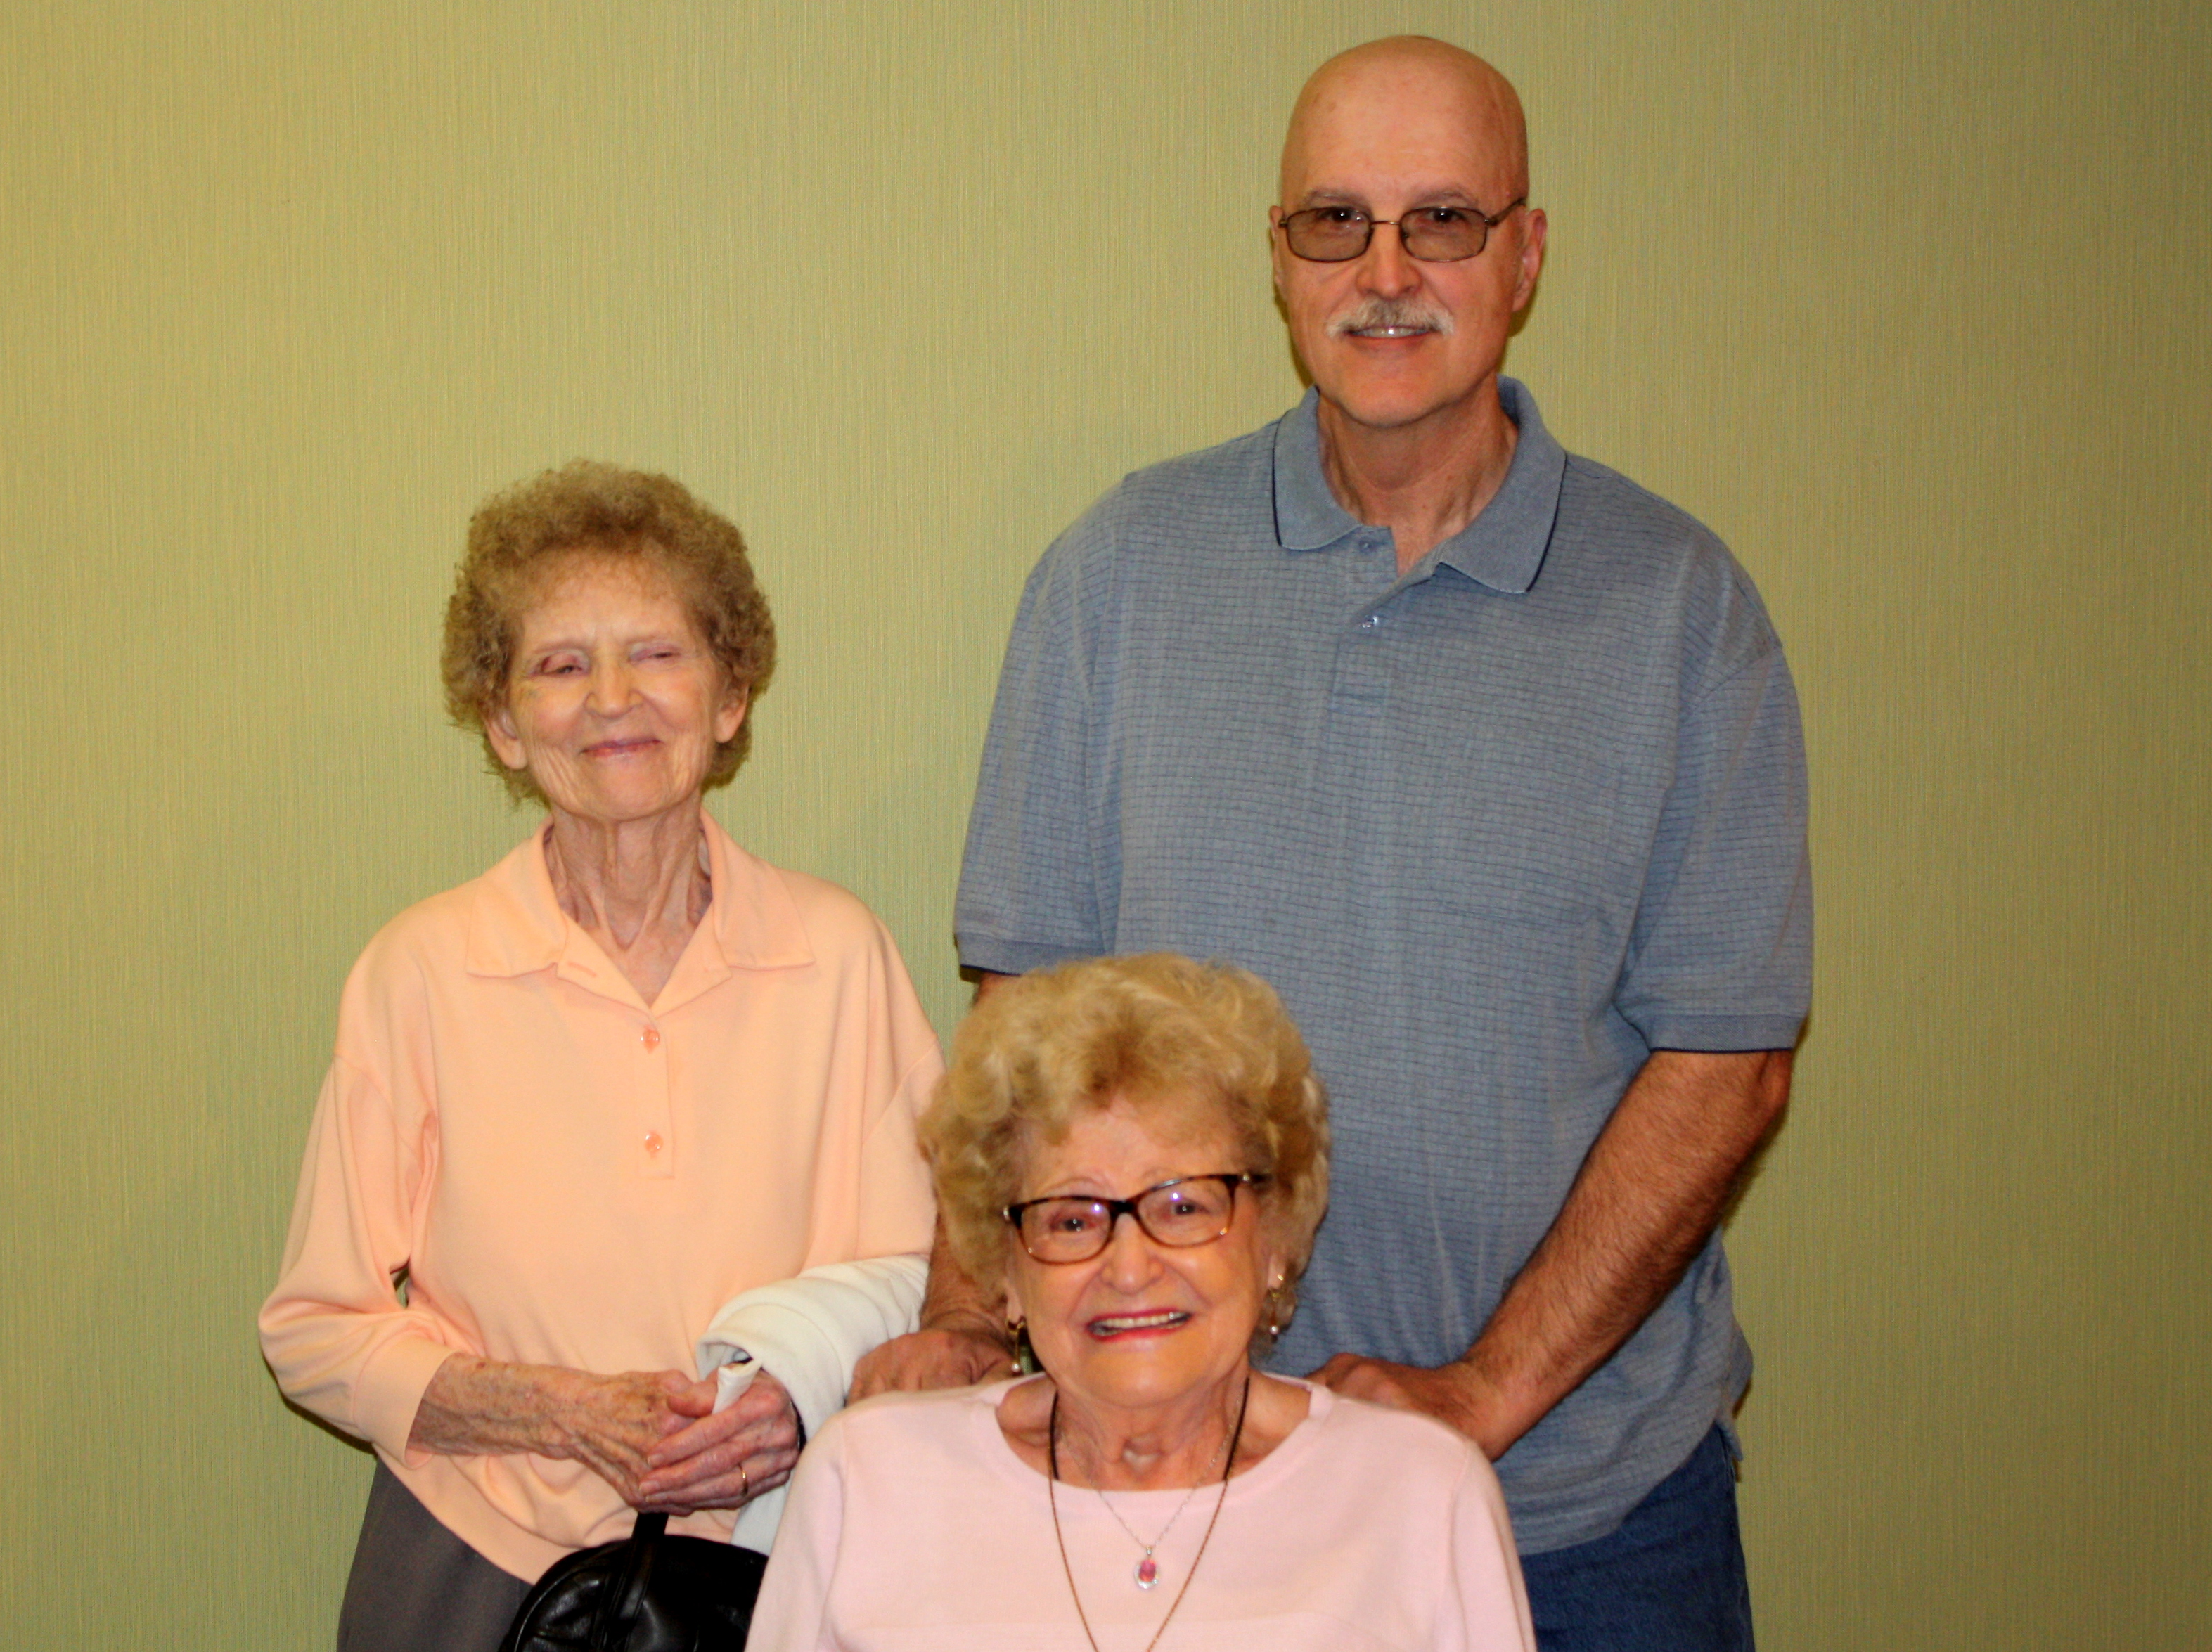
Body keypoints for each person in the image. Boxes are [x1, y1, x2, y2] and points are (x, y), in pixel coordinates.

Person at [856, 36, 1809, 1651]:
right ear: (1279, 257)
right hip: (1179, 1504)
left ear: (1524, 254)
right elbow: (1023, 1024)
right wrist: (966, 1321)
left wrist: (1480, 1394)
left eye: (1441, 220)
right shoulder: (1116, 577)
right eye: (1333, 222)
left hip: (1584, 1523)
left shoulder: (1679, 611)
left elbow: (1728, 1061)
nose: (1384, 272)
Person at [259, 463, 941, 1650]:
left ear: (730, 697)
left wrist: (790, 1399)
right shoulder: (421, 970)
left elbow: (937, 1279)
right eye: (562, 665)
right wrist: (557, 1412)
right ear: (503, 725)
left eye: (657, 654)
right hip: (472, 1559)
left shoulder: (839, 955)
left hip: (782, 1558)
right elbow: (314, 1329)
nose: (612, 699)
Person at [750, 954, 1535, 1651]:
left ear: (1275, 1238)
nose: (1128, 1267)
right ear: (1007, 1272)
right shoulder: (868, 1480)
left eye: (1183, 1206)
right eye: (1071, 1219)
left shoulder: (1420, 1495)